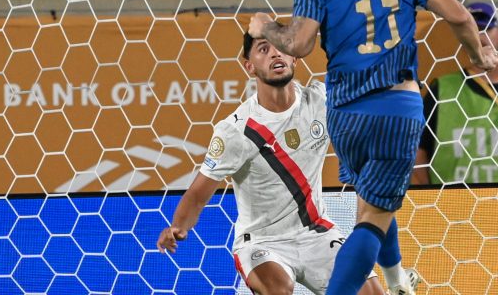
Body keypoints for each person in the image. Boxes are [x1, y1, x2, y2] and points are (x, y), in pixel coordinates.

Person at [248, 0, 498, 295]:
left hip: (345, 113)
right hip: (396, 107)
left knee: (372, 199)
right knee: (373, 218)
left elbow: (299, 45)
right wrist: (479, 52)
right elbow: (458, 15)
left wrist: (265, 26)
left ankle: (398, 280)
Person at [156, 32, 389, 295]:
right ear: (250, 66)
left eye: (281, 48)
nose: (275, 54)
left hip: (317, 232)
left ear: (294, 58)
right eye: (264, 49)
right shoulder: (236, 131)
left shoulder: (320, 101)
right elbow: (198, 194)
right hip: (261, 243)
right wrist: (178, 227)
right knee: (279, 289)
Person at [414, 2, 498, 185]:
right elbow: (418, 153)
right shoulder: (441, 90)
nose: (478, 35)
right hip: (454, 209)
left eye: (486, 28)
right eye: (471, 30)